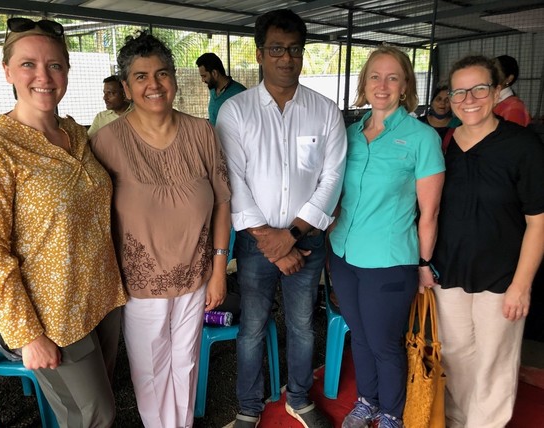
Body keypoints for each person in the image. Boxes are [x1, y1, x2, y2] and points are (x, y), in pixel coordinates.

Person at [0, 17, 127, 427]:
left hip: (103, 298)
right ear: (6, 70)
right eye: (28, 64)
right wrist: (26, 333)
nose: (43, 76)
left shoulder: (77, 133)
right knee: (96, 414)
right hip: (52, 315)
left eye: (55, 65)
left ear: (67, 72)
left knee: (91, 409)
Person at [91, 31, 231, 428]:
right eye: (140, 76)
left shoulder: (202, 133)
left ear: (173, 77)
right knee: (150, 371)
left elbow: (223, 201)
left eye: (162, 73)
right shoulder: (106, 142)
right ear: (126, 86)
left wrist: (219, 271)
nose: (154, 84)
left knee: (185, 362)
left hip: (197, 275)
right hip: (140, 283)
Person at [216, 9, 347, 428]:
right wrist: (268, 239)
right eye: (276, 49)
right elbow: (232, 180)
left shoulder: (325, 111)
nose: (286, 58)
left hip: (305, 238)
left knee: (304, 325)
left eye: (294, 50)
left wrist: (290, 235)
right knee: (252, 326)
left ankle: (299, 399)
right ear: (259, 54)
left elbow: (332, 178)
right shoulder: (235, 112)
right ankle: (248, 408)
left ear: (303, 55)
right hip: (256, 241)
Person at [328, 46, 445, 428]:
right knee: (359, 338)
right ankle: (368, 401)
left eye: (393, 77)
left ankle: (392, 413)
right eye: (375, 76)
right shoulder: (348, 134)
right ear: (363, 84)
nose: (383, 84)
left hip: (389, 261)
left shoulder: (421, 138)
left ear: (406, 85)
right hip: (344, 254)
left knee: (383, 343)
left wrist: (425, 264)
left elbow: (430, 212)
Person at [432, 55, 544, 427]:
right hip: (450, 271)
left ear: (497, 91)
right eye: (460, 91)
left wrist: (522, 286)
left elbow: (537, 222)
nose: (469, 98)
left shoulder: (523, 146)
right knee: (457, 355)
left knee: (494, 360)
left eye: (479, 88)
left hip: (502, 277)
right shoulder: (445, 145)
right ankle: (457, 419)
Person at [196, 52, 246, 125]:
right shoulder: (213, 90)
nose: (203, 80)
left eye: (204, 76)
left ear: (214, 73)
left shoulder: (240, 93)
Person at [493, 55, 531, 126]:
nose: (490, 75)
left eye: (495, 72)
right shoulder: (492, 102)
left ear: (509, 79)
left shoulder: (514, 108)